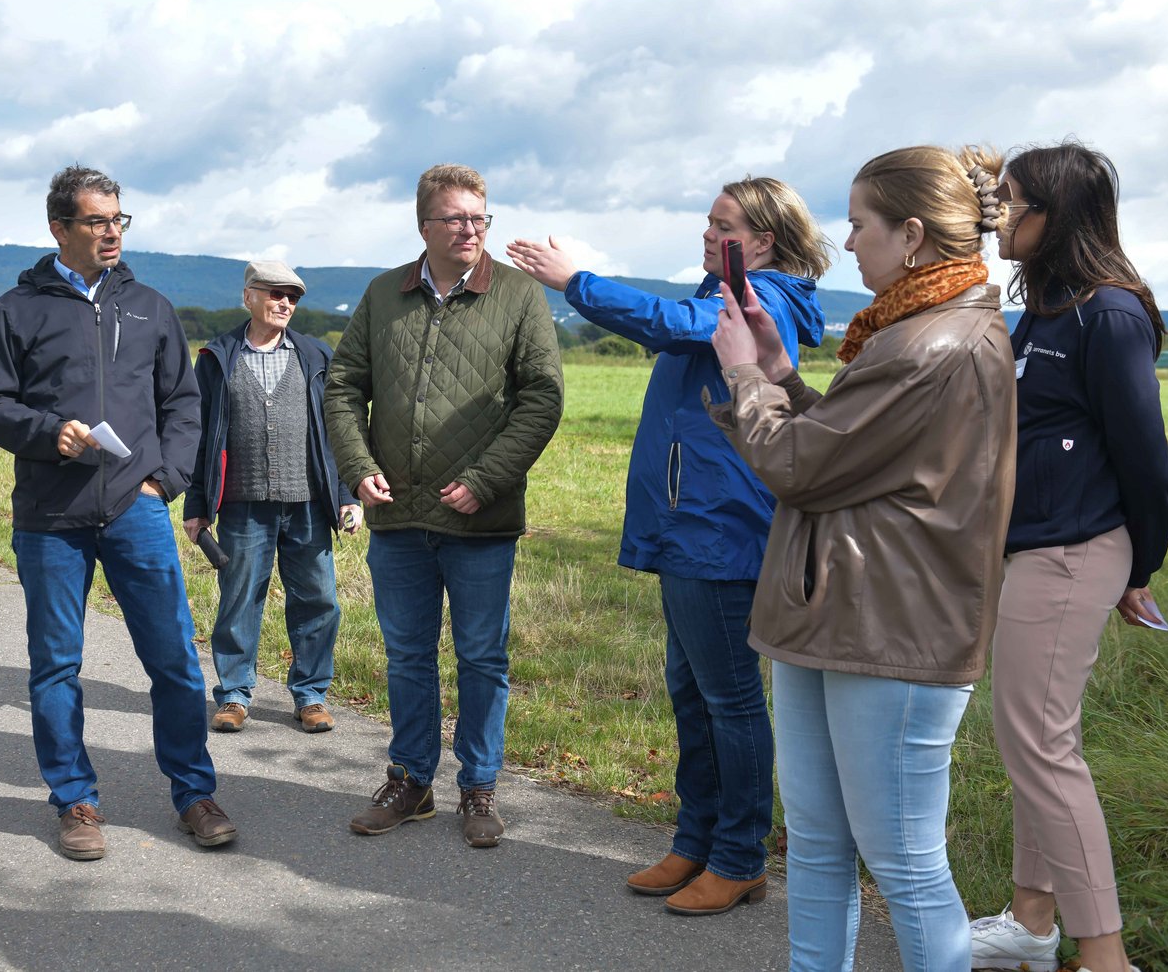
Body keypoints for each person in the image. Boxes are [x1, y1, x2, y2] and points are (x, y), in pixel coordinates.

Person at [709, 145, 1017, 969]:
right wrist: (780, 370)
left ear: (911, 233)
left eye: (858, 223)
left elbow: (799, 466)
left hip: (893, 630)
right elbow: (846, 452)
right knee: (814, 841)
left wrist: (746, 379)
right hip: (839, 611)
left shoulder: (934, 345)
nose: (847, 244)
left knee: (906, 864)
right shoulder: (910, 331)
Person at [506, 177, 829, 915]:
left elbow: (672, 323)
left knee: (729, 700)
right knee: (693, 692)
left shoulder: (759, 297)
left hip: (717, 529)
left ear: (764, 242)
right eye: (709, 222)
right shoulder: (733, 288)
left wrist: (576, 282)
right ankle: (698, 841)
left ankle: (741, 856)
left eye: (724, 227)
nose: (708, 235)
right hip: (692, 525)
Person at [0, 164, 236, 859]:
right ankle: (76, 801)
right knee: (56, 664)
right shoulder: (16, 310)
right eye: (96, 220)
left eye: (119, 218)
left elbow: (184, 403)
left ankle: (194, 793)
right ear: (60, 228)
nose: (112, 231)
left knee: (176, 661)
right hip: (50, 518)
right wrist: (45, 433)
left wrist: (165, 481)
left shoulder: (150, 306)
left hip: (136, 510)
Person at [967, 143, 1168, 972]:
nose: (1001, 214)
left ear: (1061, 216)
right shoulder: (1047, 307)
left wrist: (1139, 570)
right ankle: (1030, 922)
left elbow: (1148, 465)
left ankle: (1105, 955)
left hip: (1074, 552)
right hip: (1035, 552)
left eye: (1014, 201)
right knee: (1035, 743)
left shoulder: (1108, 314)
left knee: (1042, 750)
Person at [324, 162, 564, 848]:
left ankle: (479, 787)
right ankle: (410, 782)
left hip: (479, 520)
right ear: (424, 225)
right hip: (398, 515)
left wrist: (486, 478)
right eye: (457, 218)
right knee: (407, 656)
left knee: (482, 657)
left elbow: (542, 398)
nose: (471, 230)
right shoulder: (382, 295)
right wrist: (357, 466)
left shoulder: (518, 296)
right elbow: (343, 387)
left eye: (481, 218)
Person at [182, 260, 362, 736]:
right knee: (239, 601)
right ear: (249, 297)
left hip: (308, 504)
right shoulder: (216, 358)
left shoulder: (317, 355)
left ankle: (311, 695)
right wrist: (196, 505)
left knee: (319, 600)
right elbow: (200, 436)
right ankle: (235, 695)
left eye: (293, 297)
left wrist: (346, 493)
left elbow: (337, 431)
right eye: (275, 294)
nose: (285, 303)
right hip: (241, 504)